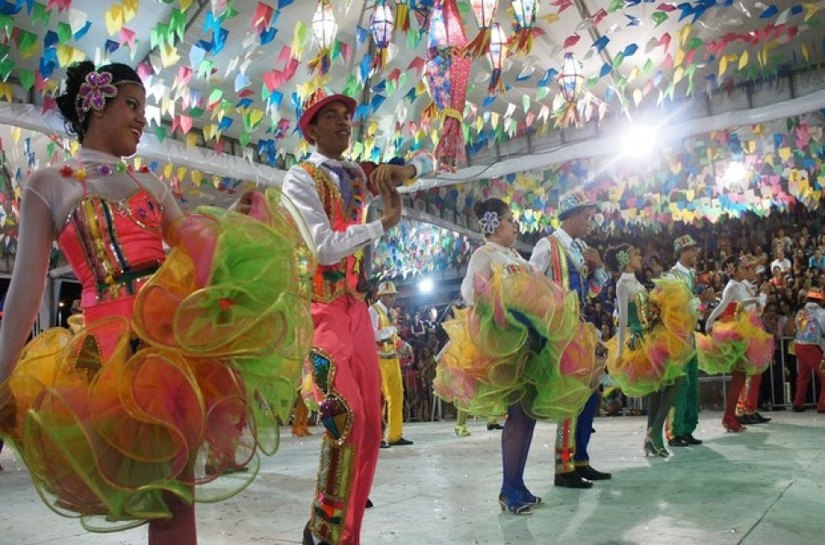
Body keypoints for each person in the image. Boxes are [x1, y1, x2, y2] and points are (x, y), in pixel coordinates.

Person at [0, 62, 313, 544]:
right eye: (131, 105)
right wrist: (1, 375)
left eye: (143, 108)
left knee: (175, 498)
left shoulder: (154, 186)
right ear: (94, 105)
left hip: (171, 353)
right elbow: (25, 291)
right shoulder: (49, 183)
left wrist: (237, 217)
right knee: (146, 488)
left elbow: (196, 248)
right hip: (103, 362)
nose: (142, 118)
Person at [282, 89, 434, 545]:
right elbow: (322, 246)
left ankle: (346, 534)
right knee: (343, 415)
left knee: (370, 426)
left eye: (347, 116)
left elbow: (430, 164)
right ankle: (321, 529)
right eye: (331, 117)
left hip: (356, 309)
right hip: (318, 309)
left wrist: (400, 170)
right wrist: (381, 224)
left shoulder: (356, 174)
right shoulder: (300, 177)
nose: (344, 123)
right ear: (310, 130)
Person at [435, 197, 598, 514]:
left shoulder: (516, 258)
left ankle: (518, 484)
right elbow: (470, 293)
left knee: (527, 416)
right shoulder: (485, 254)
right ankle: (509, 488)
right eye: (511, 221)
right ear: (494, 225)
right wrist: (498, 303)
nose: (516, 226)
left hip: (531, 345)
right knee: (517, 417)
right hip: (507, 349)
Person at [529, 190, 610, 488]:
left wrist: (598, 266)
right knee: (568, 397)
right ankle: (563, 467)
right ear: (573, 216)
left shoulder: (581, 248)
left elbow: (593, 292)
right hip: (560, 332)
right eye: (587, 217)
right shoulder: (546, 245)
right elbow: (530, 286)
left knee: (588, 396)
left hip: (581, 329)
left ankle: (581, 460)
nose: (590, 222)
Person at [603, 244, 697, 457]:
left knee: (661, 388)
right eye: (636, 254)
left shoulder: (635, 281)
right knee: (677, 381)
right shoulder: (623, 284)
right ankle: (654, 434)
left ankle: (651, 437)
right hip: (639, 340)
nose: (640, 257)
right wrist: (618, 353)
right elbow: (623, 321)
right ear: (626, 259)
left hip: (652, 336)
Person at [697, 256, 774, 432]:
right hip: (736, 333)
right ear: (733, 269)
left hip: (746, 332)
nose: (746, 269)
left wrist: (760, 297)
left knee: (740, 378)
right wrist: (709, 323)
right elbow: (723, 305)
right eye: (743, 266)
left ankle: (730, 417)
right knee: (738, 378)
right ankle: (729, 417)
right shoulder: (732, 286)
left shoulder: (743, 285)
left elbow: (752, 308)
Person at [369, 281, 413, 447]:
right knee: (379, 398)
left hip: (393, 359)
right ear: (382, 296)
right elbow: (372, 335)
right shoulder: (372, 311)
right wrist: (392, 331)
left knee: (397, 396)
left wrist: (403, 345)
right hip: (378, 359)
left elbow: (393, 337)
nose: (393, 298)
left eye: (394, 295)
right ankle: (377, 437)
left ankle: (395, 435)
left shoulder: (391, 313)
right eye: (390, 295)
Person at [792, 290, 825, 412]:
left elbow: (796, 326)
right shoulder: (821, 313)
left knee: (803, 375)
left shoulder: (801, 312)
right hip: (811, 346)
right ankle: (822, 405)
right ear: (820, 300)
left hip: (799, 345)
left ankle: (798, 403)